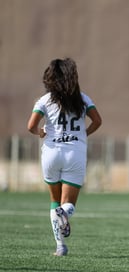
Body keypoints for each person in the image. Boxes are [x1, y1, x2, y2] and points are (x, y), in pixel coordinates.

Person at [27, 58, 102, 256]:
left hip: (51, 152)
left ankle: (60, 246)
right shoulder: (83, 98)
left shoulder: (44, 100)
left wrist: (40, 133)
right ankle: (64, 214)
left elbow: (30, 126)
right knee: (68, 204)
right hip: (75, 153)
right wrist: (83, 134)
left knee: (54, 200)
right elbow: (97, 121)